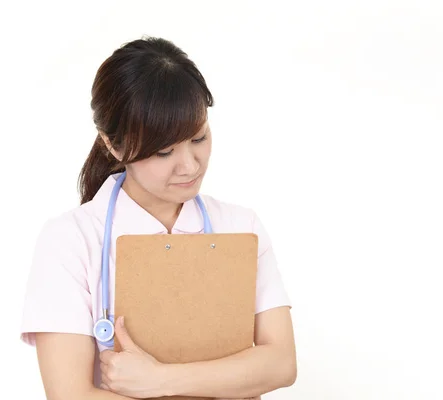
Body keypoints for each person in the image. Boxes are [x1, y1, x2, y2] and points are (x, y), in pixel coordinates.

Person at [20, 36, 297, 400]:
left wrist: (159, 381)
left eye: (198, 138)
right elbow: (70, 395)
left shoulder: (240, 226)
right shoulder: (71, 240)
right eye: (164, 151)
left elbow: (281, 364)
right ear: (112, 144)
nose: (190, 165)